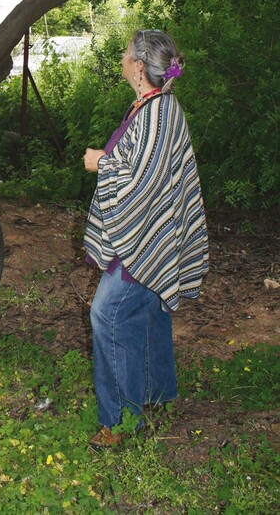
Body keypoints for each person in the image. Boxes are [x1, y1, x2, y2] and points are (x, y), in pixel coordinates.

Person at [83, 29, 209, 449]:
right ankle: (156, 392)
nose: (121, 59)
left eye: (125, 54)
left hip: (143, 238)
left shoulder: (157, 112)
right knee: (151, 308)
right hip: (159, 233)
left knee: (108, 313)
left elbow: (143, 181)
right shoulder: (157, 105)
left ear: (139, 67)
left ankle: (120, 422)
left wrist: (100, 162)